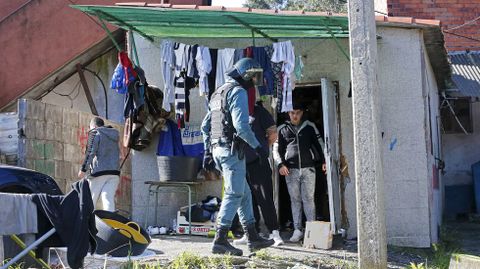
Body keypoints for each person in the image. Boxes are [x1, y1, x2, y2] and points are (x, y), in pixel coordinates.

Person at [201, 58, 274, 256]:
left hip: (219, 150)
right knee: (234, 193)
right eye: (254, 77)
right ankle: (220, 239)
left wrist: (208, 151)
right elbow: (241, 127)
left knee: (245, 193)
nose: (254, 82)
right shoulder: (238, 92)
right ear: (246, 75)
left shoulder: (218, 93)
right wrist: (259, 147)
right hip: (231, 151)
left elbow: (205, 127)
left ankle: (253, 237)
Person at [233, 100, 284, 246]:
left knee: (265, 198)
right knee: (247, 200)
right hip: (241, 164)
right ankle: (252, 233)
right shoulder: (236, 111)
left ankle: (274, 233)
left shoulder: (260, 112)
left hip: (259, 163)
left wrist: (261, 149)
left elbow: (273, 134)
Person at [273, 104, 325, 242]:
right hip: (291, 170)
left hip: (309, 169)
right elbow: (275, 149)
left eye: (297, 112)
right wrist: (280, 164)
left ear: (302, 113)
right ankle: (297, 230)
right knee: (295, 200)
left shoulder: (309, 126)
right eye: (292, 113)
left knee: (308, 199)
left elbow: (320, 143)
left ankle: (312, 230)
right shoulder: (282, 129)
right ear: (288, 114)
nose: (294, 115)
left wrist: (325, 160)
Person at [78, 117, 120, 212]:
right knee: (107, 199)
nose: (90, 129)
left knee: (90, 200)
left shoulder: (95, 133)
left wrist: (83, 169)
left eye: (90, 127)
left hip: (99, 172)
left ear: (95, 126)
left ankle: (85, 224)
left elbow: (90, 152)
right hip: (114, 173)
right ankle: (110, 225)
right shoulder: (114, 134)